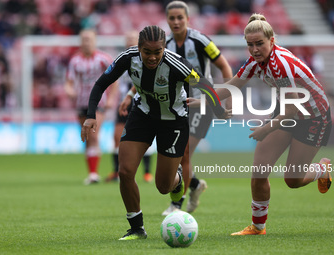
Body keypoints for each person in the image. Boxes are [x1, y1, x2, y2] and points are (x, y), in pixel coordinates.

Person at [81, 25, 231, 240]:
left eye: (157, 52)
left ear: (163, 48)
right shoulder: (127, 57)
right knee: (125, 171)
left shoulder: (177, 64)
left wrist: (217, 108)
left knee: (163, 186)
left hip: (173, 121)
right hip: (142, 115)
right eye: (147, 52)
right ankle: (136, 228)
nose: (152, 57)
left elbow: (205, 85)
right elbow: (101, 83)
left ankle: (178, 180)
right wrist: (90, 115)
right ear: (139, 48)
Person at [199, 13, 332, 235]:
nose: (254, 49)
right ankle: (258, 227)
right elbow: (232, 85)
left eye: (259, 44)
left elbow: (292, 109)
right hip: (288, 111)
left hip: (313, 118)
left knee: (293, 179)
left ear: (272, 41)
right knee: (259, 171)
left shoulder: (282, 64)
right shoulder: (255, 62)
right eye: (250, 45)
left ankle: (321, 169)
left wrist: (266, 128)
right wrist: (203, 100)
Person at [161, 0, 234, 216]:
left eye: (179, 17)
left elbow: (225, 66)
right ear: (167, 20)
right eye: (172, 18)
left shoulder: (200, 40)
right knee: (177, 157)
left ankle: (176, 204)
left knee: (183, 153)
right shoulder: (165, 44)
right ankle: (194, 186)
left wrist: (227, 99)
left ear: (187, 19)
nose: (176, 22)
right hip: (177, 107)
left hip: (202, 104)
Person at [65, 29, 114, 185]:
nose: (86, 42)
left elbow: (115, 79)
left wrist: (111, 98)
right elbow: (69, 82)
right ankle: (92, 172)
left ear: (94, 41)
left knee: (93, 135)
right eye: (84, 39)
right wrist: (69, 91)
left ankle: (94, 174)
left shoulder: (103, 59)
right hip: (81, 102)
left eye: (89, 39)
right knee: (87, 137)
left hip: (99, 101)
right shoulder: (75, 61)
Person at [105, 30, 154, 183]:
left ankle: (147, 172)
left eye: (133, 39)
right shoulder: (120, 59)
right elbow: (114, 80)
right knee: (117, 137)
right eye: (128, 39)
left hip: (142, 102)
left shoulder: (147, 59)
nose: (130, 41)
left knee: (146, 136)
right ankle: (116, 171)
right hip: (123, 101)